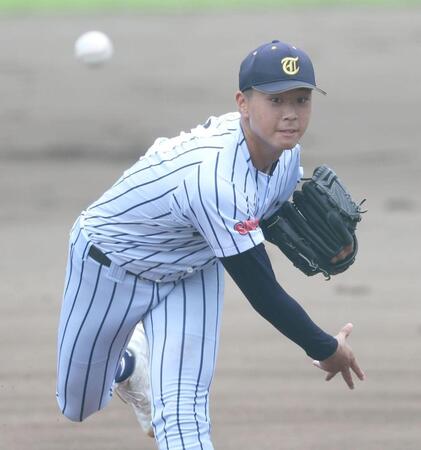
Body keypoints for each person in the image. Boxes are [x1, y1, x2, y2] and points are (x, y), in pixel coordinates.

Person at [56, 39, 365, 449]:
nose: (290, 114)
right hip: (110, 262)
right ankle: (129, 363)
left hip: (191, 269)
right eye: (276, 100)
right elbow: (263, 293)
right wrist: (326, 348)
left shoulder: (288, 158)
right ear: (243, 102)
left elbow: (261, 218)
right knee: (78, 404)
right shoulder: (215, 178)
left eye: (301, 99)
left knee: (185, 416)